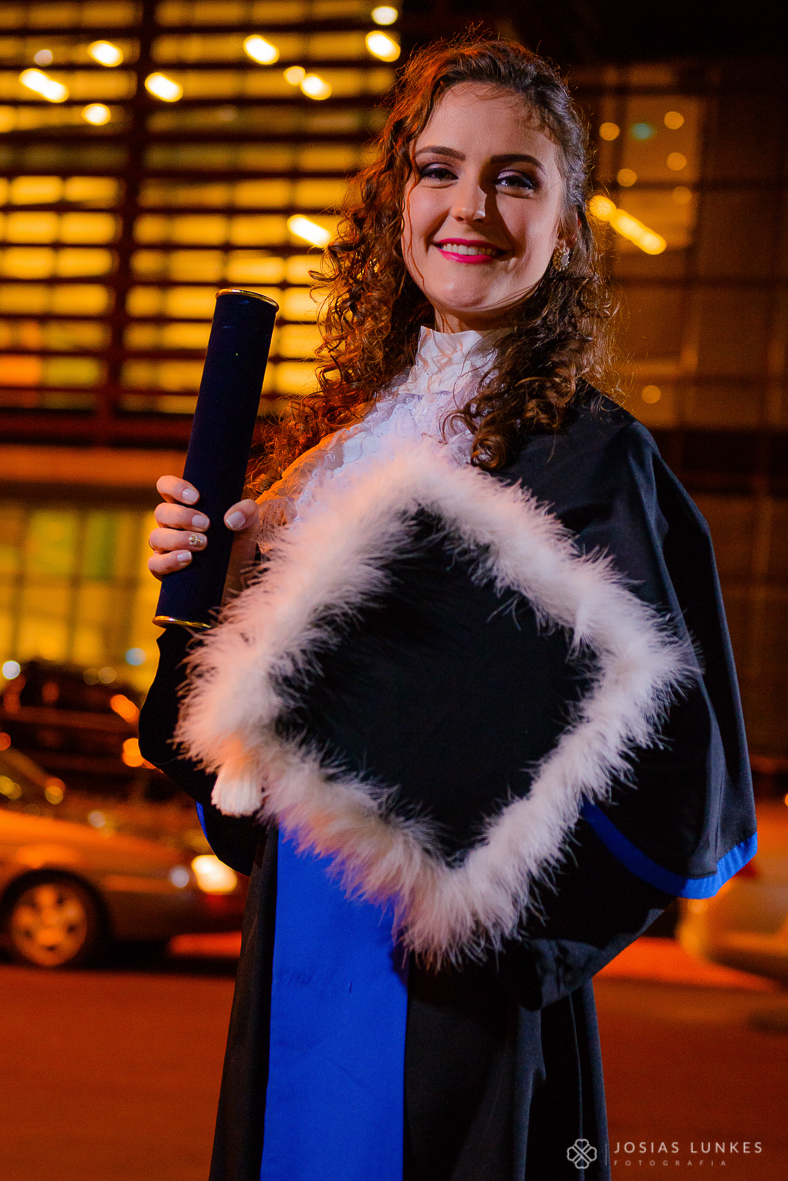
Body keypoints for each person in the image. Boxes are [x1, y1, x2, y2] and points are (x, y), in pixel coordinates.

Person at [139, 36, 756, 1181]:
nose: (468, 205)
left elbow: (664, 776)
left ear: (565, 226)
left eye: (513, 177)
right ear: (398, 200)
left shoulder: (587, 459)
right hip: (295, 948)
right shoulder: (331, 450)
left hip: (451, 989)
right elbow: (241, 774)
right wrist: (215, 609)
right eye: (437, 170)